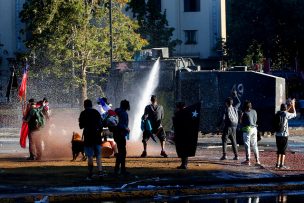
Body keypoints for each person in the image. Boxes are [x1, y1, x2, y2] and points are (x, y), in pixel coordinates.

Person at [79, 99, 104, 180]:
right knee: (98, 155)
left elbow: (81, 126)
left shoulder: (83, 113)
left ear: (84, 105)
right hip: (97, 137)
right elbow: (101, 125)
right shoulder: (96, 112)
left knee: (90, 156)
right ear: (91, 105)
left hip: (88, 137)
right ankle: (100, 172)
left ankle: (90, 173)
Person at [172, 101, 201, 169]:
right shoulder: (188, 112)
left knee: (182, 149)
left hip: (180, 135)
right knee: (186, 149)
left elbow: (176, 123)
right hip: (187, 134)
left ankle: (184, 164)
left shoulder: (178, 113)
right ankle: (185, 164)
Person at [274, 100, 296, 169]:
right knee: (283, 150)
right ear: (286, 108)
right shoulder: (286, 114)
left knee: (279, 149)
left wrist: (289, 107)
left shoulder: (277, 113)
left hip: (277, 134)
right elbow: (294, 114)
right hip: (284, 135)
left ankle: (277, 164)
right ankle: (282, 165)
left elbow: (285, 111)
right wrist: (293, 105)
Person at [220, 91, 240, 160]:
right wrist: (236, 96)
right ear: (232, 103)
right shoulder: (235, 108)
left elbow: (223, 118)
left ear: (226, 103)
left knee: (224, 139)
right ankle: (236, 155)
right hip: (235, 126)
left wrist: (220, 126)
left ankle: (224, 155)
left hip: (228, 126)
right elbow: (239, 103)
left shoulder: (226, 109)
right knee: (234, 140)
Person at [240, 100, 260, 166]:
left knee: (247, 145)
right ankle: (257, 160)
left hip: (248, 129)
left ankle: (248, 160)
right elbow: (256, 120)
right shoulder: (254, 111)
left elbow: (241, 122)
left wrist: (241, 116)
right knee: (254, 145)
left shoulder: (244, 113)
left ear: (245, 106)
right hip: (254, 129)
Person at [113, 99, 130, 176]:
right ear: (126, 106)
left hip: (116, 134)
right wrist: (126, 128)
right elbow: (121, 124)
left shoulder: (116, 111)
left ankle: (117, 169)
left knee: (121, 152)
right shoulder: (124, 113)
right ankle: (122, 170)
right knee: (123, 152)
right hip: (121, 134)